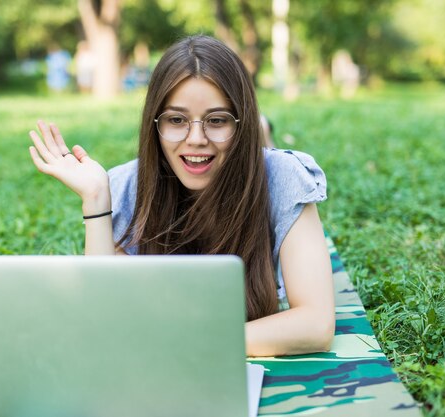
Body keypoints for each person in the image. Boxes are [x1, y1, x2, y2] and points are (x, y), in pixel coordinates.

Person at [28, 35, 334, 357]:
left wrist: (185, 340)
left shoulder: (284, 176)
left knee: (262, 159)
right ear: (154, 124)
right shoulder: (125, 187)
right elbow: (103, 321)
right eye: (176, 120)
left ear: (239, 122)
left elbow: (316, 324)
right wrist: (95, 199)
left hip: (256, 164)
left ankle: (261, 133)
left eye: (217, 120)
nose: (196, 139)